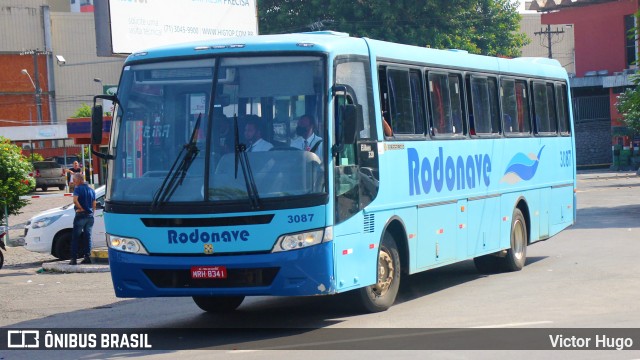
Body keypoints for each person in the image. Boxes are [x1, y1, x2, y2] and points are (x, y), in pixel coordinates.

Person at [69, 172, 96, 265]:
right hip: (90, 216)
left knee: (75, 237)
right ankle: (87, 257)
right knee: (87, 237)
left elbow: (74, 200)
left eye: (74, 180)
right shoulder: (91, 190)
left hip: (81, 216)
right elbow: (94, 203)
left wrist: (80, 208)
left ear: (79, 180)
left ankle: (73, 258)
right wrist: (92, 212)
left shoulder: (78, 189)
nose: (73, 182)